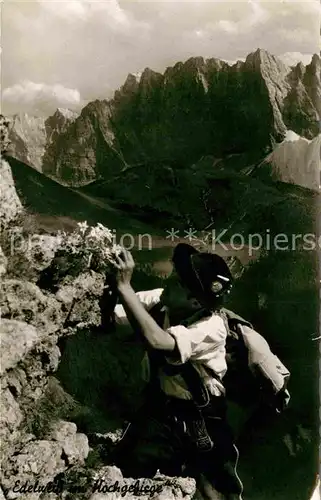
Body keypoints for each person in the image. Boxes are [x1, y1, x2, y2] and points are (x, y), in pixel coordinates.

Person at [108, 242, 244, 500]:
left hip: (201, 417)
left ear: (194, 300)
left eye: (178, 280)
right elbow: (119, 315)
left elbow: (158, 341)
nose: (169, 280)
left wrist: (125, 286)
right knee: (126, 471)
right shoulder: (164, 300)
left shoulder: (211, 328)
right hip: (161, 408)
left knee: (213, 488)